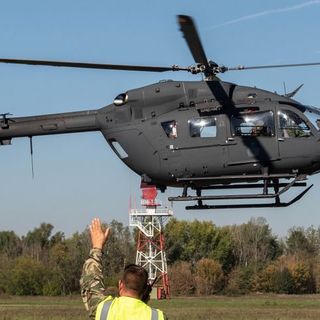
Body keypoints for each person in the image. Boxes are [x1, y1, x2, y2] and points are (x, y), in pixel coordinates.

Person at [80, 218, 166, 320]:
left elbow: (90, 280)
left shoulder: (102, 308)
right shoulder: (157, 316)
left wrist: (97, 247)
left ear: (121, 284)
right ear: (145, 290)